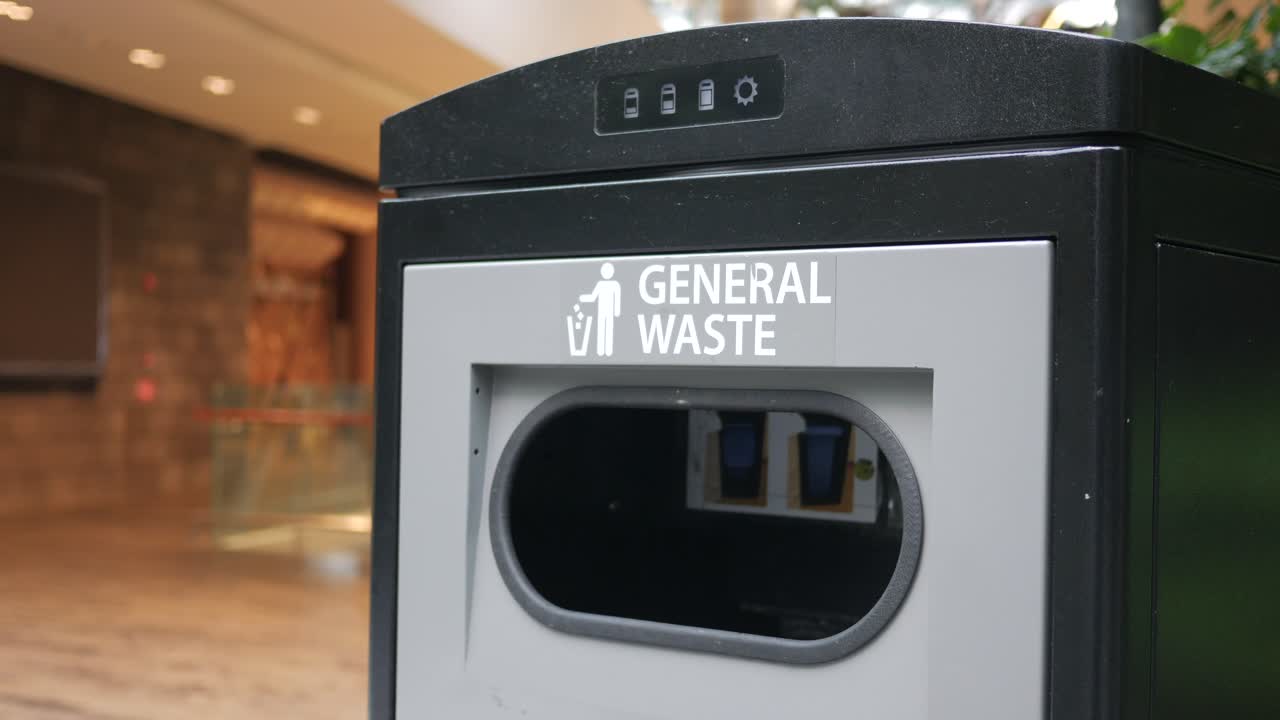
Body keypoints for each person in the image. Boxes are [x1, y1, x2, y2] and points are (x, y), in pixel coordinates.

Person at [579, 262, 622, 356]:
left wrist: (617, 311)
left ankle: (608, 351)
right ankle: (601, 351)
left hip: (609, 312)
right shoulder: (600, 284)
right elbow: (593, 297)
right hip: (601, 312)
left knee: (608, 329)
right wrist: (584, 298)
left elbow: (617, 298)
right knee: (602, 329)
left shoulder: (615, 284)